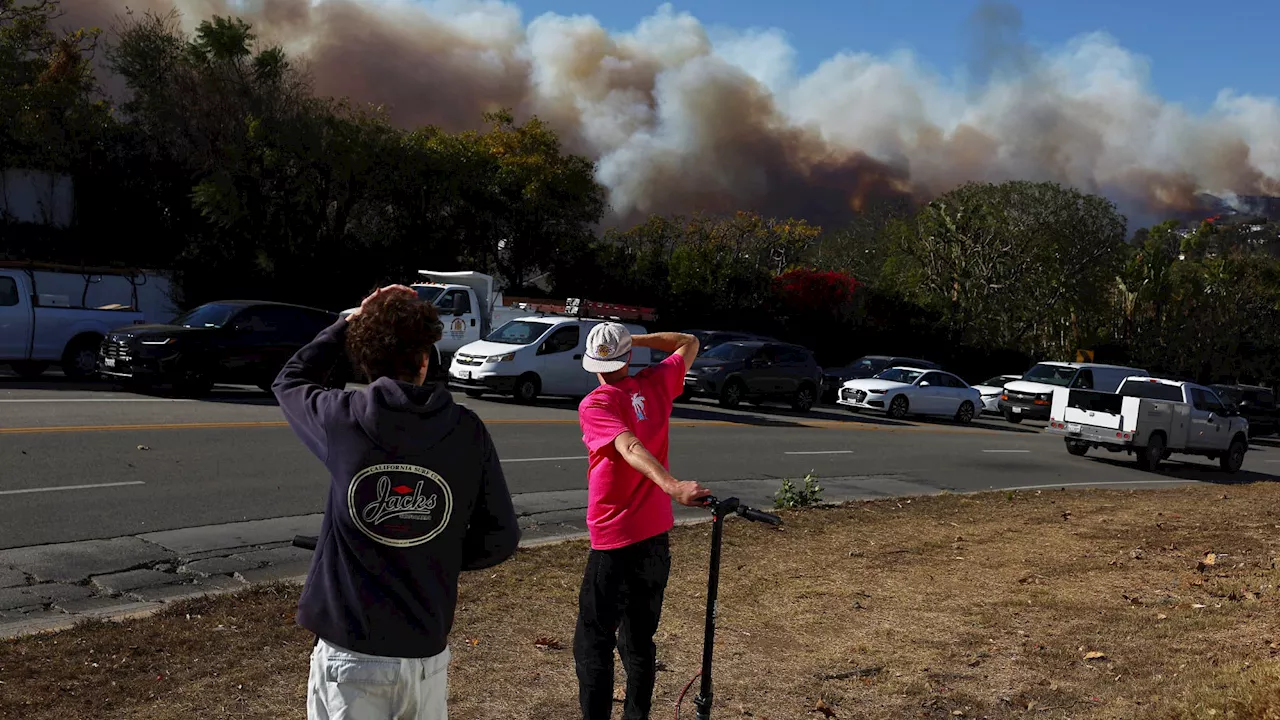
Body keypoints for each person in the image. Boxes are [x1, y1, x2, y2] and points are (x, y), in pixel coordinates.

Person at [273, 285, 520, 720]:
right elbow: (500, 537)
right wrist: (432, 553)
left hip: (350, 655)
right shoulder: (467, 430)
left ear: (365, 362)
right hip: (425, 656)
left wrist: (347, 321)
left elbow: (290, 379)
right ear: (426, 360)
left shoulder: (342, 417)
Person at [574, 322, 711, 720]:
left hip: (615, 537)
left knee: (593, 642)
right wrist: (634, 339)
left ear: (591, 363)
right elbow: (689, 340)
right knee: (638, 641)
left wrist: (672, 485)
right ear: (627, 357)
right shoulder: (655, 383)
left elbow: (628, 446)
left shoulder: (596, 403)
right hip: (654, 535)